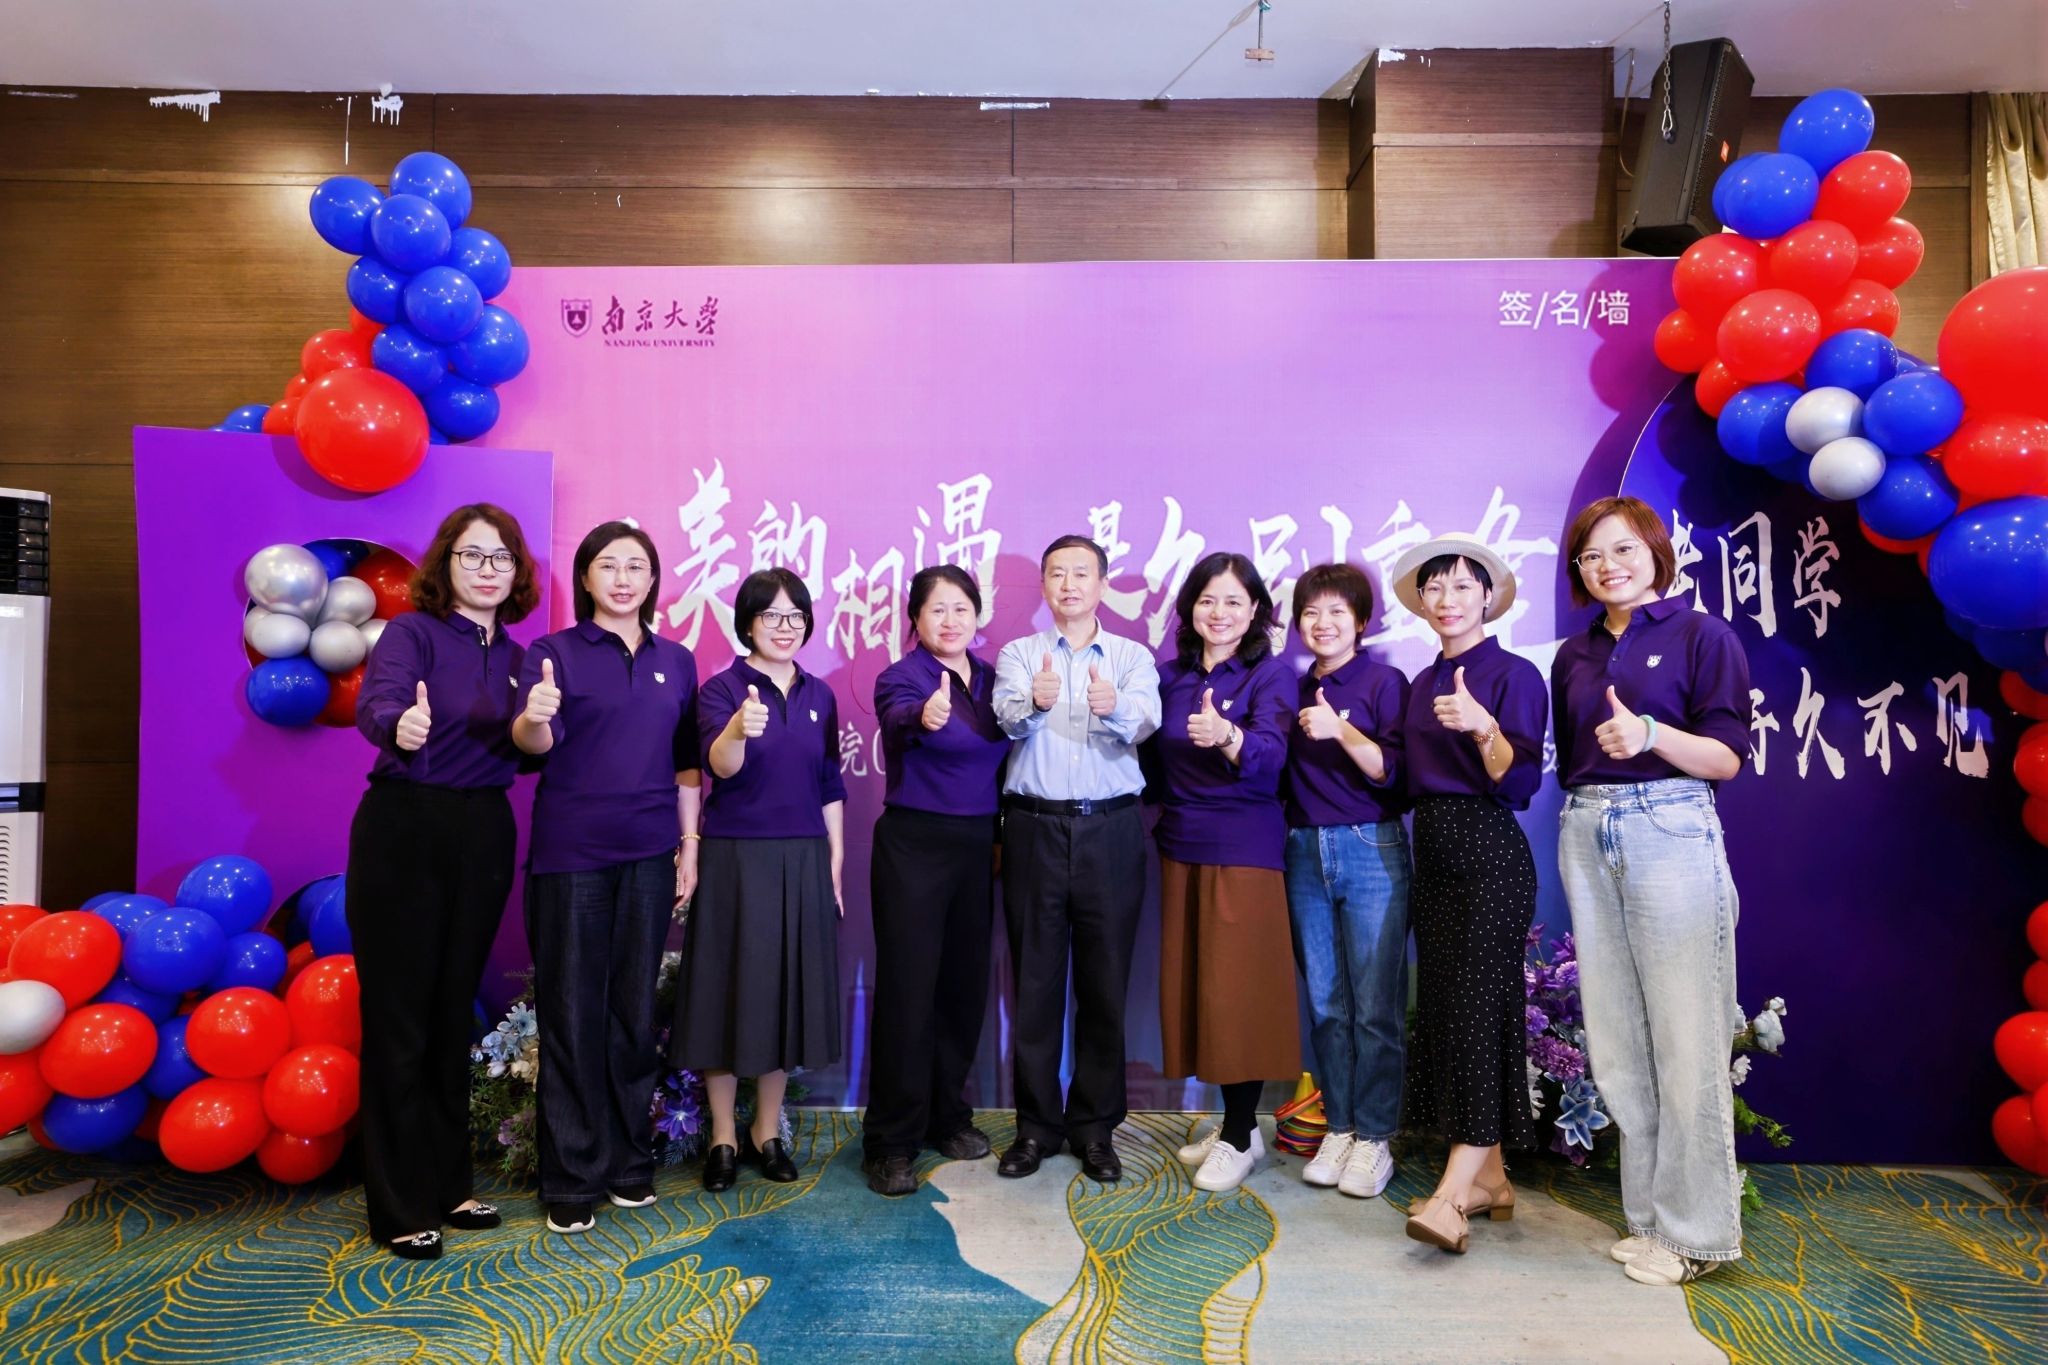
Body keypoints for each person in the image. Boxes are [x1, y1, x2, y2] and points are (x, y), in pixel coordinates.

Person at [1551, 496, 1752, 1286]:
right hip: (1587, 827)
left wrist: (1651, 735)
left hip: (1670, 824)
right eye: (1592, 555)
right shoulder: (1574, 654)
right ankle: (1650, 1220)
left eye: (1624, 548)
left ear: (1656, 553)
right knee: (1618, 1039)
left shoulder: (1702, 634)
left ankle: (1697, 1234)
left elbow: (1726, 757)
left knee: (1686, 1035)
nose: (1609, 565)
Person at [346, 503, 540, 1260]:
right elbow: (377, 704)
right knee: (400, 1018)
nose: (488, 569)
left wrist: (539, 726)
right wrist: (400, 724)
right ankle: (398, 1205)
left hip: (484, 828)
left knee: (452, 1010)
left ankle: (450, 1183)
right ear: (446, 563)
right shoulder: (413, 634)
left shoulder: (522, 657)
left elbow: (530, 754)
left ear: (517, 572)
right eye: (473, 555)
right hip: (406, 826)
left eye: (501, 557)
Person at [512, 521, 701, 1237]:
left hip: (650, 852)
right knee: (570, 1013)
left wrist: (689, 845)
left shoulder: (676, 660)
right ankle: (571, 1176)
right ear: (586, 577)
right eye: (609, 566)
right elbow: (533, 746)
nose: (623, 579)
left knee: (632, 1011)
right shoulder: (553, 653)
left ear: (652, 580)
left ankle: (627, 1162)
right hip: (572, 856)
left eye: (636, 567)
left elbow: (687, 762)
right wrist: (533, 718)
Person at [1392, 533, 1547, 1256]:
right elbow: (1401, 776)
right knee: (1451, 1013)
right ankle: (1492, 1181)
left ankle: (1453, 1195)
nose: (1447, 598)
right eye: (1435, 587)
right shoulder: (1421, 682)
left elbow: (1521, 783)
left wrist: (1486, 727)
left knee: (1480, 1014)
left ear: (1487, 596)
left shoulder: (1515, 675)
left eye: (1462, 585)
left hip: (1489, 853)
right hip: (1432, 853)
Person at [992, 535, 1161, 1182]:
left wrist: (1113, 707)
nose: (1069, 584)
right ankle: (1035, 1128)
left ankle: (1095, 1129)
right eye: (1057, 573)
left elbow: (1146, 721)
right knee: (1035, 984)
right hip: (1034, 827)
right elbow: (1005, 718)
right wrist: (1036, 702)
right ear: (1043, 585)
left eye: (1081, 573)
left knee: (1104, 986)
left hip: (1111, 830)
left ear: (1102, 584)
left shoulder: (1130, 656)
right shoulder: (1019, 653)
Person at [671, 567, 846, 1192]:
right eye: (771, 615)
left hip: (802, 856)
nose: (784, 626)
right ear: (748, 623)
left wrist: (834, 862)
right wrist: (736, 730)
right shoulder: (722, 689)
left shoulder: (820, 695)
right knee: (725, 994)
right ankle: (722, 1134)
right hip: (736, 858)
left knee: (781, 997)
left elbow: (829, 782)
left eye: (795, 615)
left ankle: (766, 1130)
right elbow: (719, 767)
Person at [1150, 552, 1299, 1193]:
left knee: (1239, 993)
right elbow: (1149, 763)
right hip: (1180, 843)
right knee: (1200, 991)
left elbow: (1272, 753)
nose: (1220, 613)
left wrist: (1229, 736)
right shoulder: (1167, 676)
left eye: (1234, 601)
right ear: (1190, 608)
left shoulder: (1271, 675)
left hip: (1244, 847)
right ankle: (1237, 1126)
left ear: (1255, 610)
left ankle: (1240, 1135)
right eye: (1208, 600)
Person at [861, 565, 1011, 1196]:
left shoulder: (997, 679)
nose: (951, 621)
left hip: (979, 847)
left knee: (962, 989)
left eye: (961, 609)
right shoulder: (903, 677)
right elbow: (898, 717)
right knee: (908, 993)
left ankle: (946, 1115)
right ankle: (890, 1142)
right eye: (937, 610)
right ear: (916, 620)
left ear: (978, 615)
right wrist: (924, 714)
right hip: (914, 846)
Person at [1279, 562, 1412, 1199]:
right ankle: (1340, 1125)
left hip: (1370, 844)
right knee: (1327, 1003)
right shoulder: (1292, 687)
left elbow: (1392, 771)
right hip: (1304, 848)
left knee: (1376, 1004)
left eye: (1337, 611)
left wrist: (1341, 729)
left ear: (1361, 620)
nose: (1323, 623)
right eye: (1311, 612)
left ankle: (1376, 1136)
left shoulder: (1384, 682)